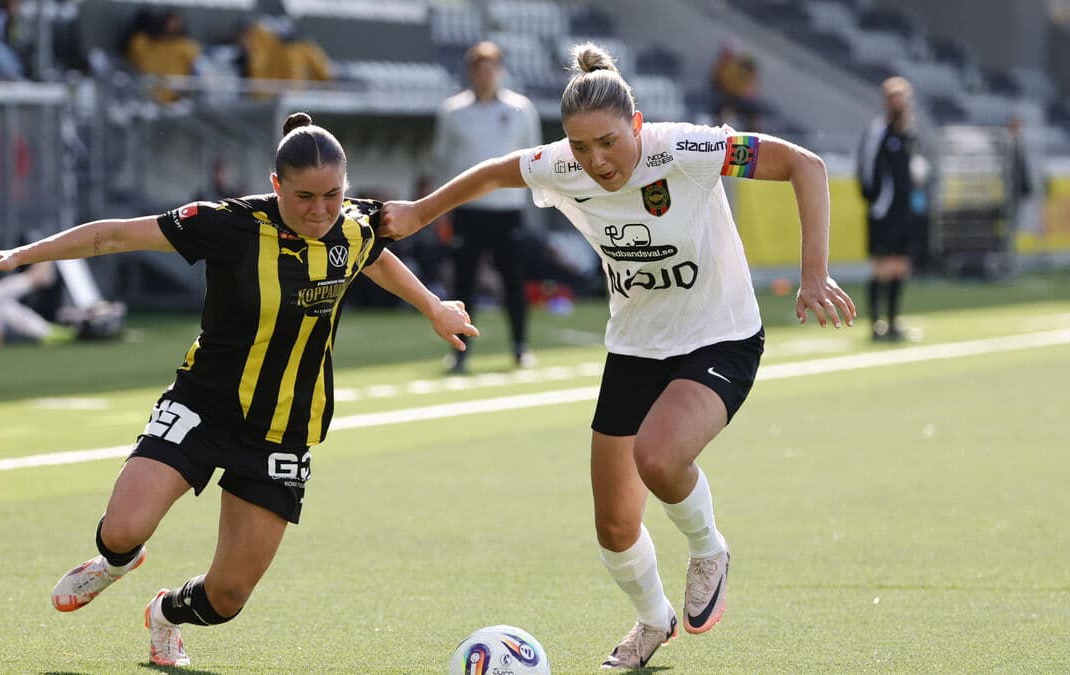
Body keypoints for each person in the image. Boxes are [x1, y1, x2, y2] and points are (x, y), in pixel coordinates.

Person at [382, 43, 855, 670]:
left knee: (658, 457)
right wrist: (419, 211)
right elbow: (497, 171)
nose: (595, 160)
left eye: (608, 142)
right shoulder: (563, 164)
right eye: (580, 148)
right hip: (635, 344)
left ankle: (708, 548)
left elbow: (806, 165)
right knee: (612, 525)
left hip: (721, 334)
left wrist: (813, 273)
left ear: (636, 125)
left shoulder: (686, 149)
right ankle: (652, 620)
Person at [0, 112, 478, 668]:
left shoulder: (355, 224)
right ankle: (114, 564)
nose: (321, 211)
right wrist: (18, 257)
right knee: (122, 530)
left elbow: (375, 257)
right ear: (275, 185)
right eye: (304, 197)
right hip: (203, 403)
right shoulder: (226, 224)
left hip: (283, 428)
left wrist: (433, 307)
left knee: (227, 599)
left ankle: (164, 616)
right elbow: (112, 234)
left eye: (333, 195)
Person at [423, 40, 541, 373]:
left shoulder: (521, 109)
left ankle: (520, 347)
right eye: (479, 68)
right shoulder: (452, 111)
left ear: (500, 71)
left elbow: (533, 158)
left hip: (507, 210)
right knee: (463, 284)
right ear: (471, 72)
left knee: (513, 281)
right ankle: (460, 352)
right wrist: (439, 208)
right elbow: (441, 161)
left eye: (490, 68)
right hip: (468, 211)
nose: (485, 75)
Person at [856, 76, 928, 341]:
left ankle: (894, 322)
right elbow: (865, 169)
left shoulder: (910, 134)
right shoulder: (878, 132)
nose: (899, 102)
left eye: (903, 97)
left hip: (904, 212)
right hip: (883, 212)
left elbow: (916, 170)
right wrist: (874, 200)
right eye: (894, 97)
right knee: (882, 266)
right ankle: (876, 325)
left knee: (900, 265)